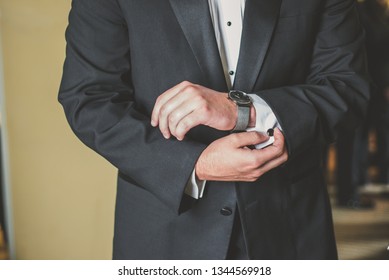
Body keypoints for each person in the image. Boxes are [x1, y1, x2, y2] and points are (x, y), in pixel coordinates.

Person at [59, 0, 369, 259]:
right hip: (165, 232)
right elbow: (90, 99)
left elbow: (346, 87)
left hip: (290, 225)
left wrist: (242, 110)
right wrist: (195, 164)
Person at [336, 0, 389, 208]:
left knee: (359, 139)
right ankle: (349, 193)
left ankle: (354, 188)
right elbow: (372, 48)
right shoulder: (358, 10)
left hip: (371, 84)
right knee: (352, 139)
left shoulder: (375, 11)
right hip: (360, 83)